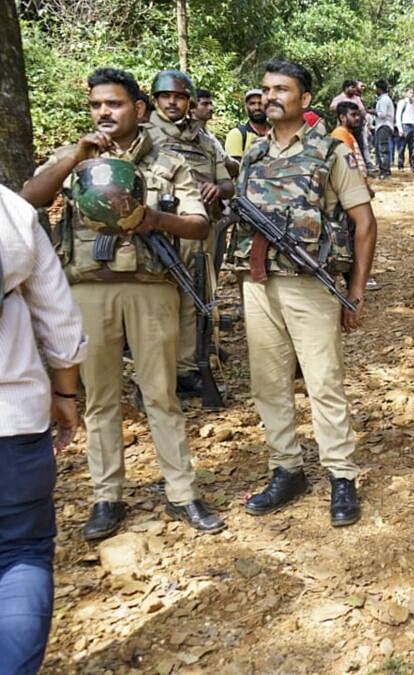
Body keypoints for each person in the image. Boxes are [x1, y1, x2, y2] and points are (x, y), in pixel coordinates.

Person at [20, 67, 224, 540]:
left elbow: (198, 224)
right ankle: (106, 498)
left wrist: (153, 218)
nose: (104, 113)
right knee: (101, 400)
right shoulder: (75, 158)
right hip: (89, 288)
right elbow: (28, 200)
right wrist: (74, 158)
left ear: (139, 109)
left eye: (113, 104)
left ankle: (182, 493)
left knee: (161, 396)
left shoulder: (169, 162)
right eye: (96, 105)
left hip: (152, 290)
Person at [227, 58, 378, 527]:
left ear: (305, 99)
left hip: (310, 285)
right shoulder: (252, 155)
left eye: (282, 89)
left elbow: (364, 222)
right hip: (259, 284)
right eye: (267, 89)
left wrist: (356, 290)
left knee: (323, 383)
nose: (271, 96)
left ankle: (341, 475)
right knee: (269, 383)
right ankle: (286, 468)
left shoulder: (330, 152)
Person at [0, 185, 86, 674]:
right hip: (13, 422)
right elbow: (60, 321)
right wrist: (66, 393)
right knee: (20, 556)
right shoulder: (9, 210)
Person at [142, 69, 235, 399]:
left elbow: (228, 182)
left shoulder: (205, 141)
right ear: (154, 100)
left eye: (179, 97)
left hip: (199, 230)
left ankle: (186, 369)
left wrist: (217, 188)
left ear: (189, 102)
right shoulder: (143, 135)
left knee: (196, 299)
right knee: (157, 302)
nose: (172, 102)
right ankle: (154, 375)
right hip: (157, 231)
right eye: (166, 96)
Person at [224, 88, 271, 169]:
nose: (257, 107)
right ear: (246, 108)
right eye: (252, 103)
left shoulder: (278, 133)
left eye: (261, 103)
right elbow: (235, 169)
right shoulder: (237, 134)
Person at [331, 101, 371, 185]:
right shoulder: (340, 134)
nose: (357, 118)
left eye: (358, 115)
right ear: (342, 117)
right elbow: (349, 165)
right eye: (353, 115)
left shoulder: (347, 133)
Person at [373, 80, 396, 177]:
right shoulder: (385, 99)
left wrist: (371, 111)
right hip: (384, 126)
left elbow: (382, 114)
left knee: (382, 149)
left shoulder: (384, 100)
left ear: (379, 89)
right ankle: (384, 169)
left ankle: (385, 171)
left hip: (383, 126)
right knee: (381, 148)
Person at [397, 87, 414, 171]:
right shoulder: (402, 102)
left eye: (412, 93)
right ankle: (400, 165)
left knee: (413, 147)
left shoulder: (413, 104)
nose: (412, 94)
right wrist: (400, 128)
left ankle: (412, 166)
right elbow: (398, 115)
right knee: (402, 147)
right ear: (405, 93)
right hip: (405, 126)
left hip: (412, 126)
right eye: (410, 92)